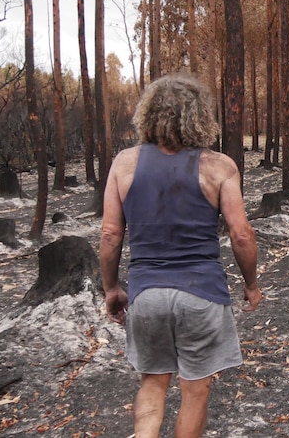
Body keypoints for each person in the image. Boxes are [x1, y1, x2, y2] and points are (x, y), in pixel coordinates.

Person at [100, 73, 261, 438]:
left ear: (149, 115)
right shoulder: (219, 166)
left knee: (153, 382)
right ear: (200, 116)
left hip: (146, 295)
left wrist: (111, 287)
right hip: (202, 295)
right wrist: (251, 284)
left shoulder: (124, 164)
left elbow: (110, 233)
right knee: (195, 390)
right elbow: (240, 234)